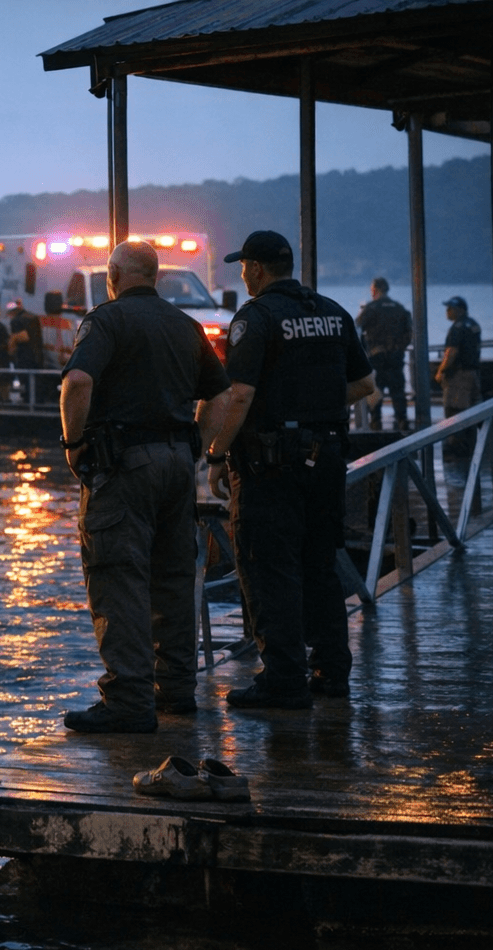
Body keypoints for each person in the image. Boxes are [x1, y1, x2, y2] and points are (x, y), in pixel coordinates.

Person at [58, 240, 231, 733]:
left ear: (114, 274)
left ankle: (129, 701)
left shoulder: (105, 320)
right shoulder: (186, 324)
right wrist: (196, 443)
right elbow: (219, 395)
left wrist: (73, 445)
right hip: (178, 465)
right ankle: (175, 691)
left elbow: (77, 385)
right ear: (155, 276)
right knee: (174, 578)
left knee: (119, 577)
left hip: (123, 465)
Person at [205, 230, 376, 706]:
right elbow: (364, 384)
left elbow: (239, 395)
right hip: (326, 462)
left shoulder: (255, 318)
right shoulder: (332, 312)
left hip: (270, 468)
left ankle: (284, 678)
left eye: (244, 266)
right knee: (320, 566)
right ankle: (332, 671)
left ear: (257, 270)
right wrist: (316, 403)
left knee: (269, 568)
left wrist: (217, 453)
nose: (242, 273)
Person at [355, 277, 413, 431]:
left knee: (375, 395)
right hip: (396, 358)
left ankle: (376, 425)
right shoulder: (400, 308)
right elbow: (410, 334)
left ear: (374, 290)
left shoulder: (371, 308)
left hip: (376, 358)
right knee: (398, 394)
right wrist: (399, 347)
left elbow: (356, 327)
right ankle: (403, 423)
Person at [434, 295, 482, 459]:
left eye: (450, 308)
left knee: (455, 413)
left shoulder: (458, 327)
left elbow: (451, 352)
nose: (447, 311)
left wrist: (441, 371)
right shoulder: (473, 324)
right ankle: (472, 448)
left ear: (460, 310)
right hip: (473, 374)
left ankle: (457, 453)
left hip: (459, 377)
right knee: (472, 413)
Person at [7, 299, 49, 403]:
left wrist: (11, 344)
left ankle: (27, 401)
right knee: (37, 382)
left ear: (12, 311)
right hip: (38, 355)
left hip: (25, 357)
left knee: (26, 382)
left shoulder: (16, 321)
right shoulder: (33, 317)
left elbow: (24, 337)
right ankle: (38, 402)